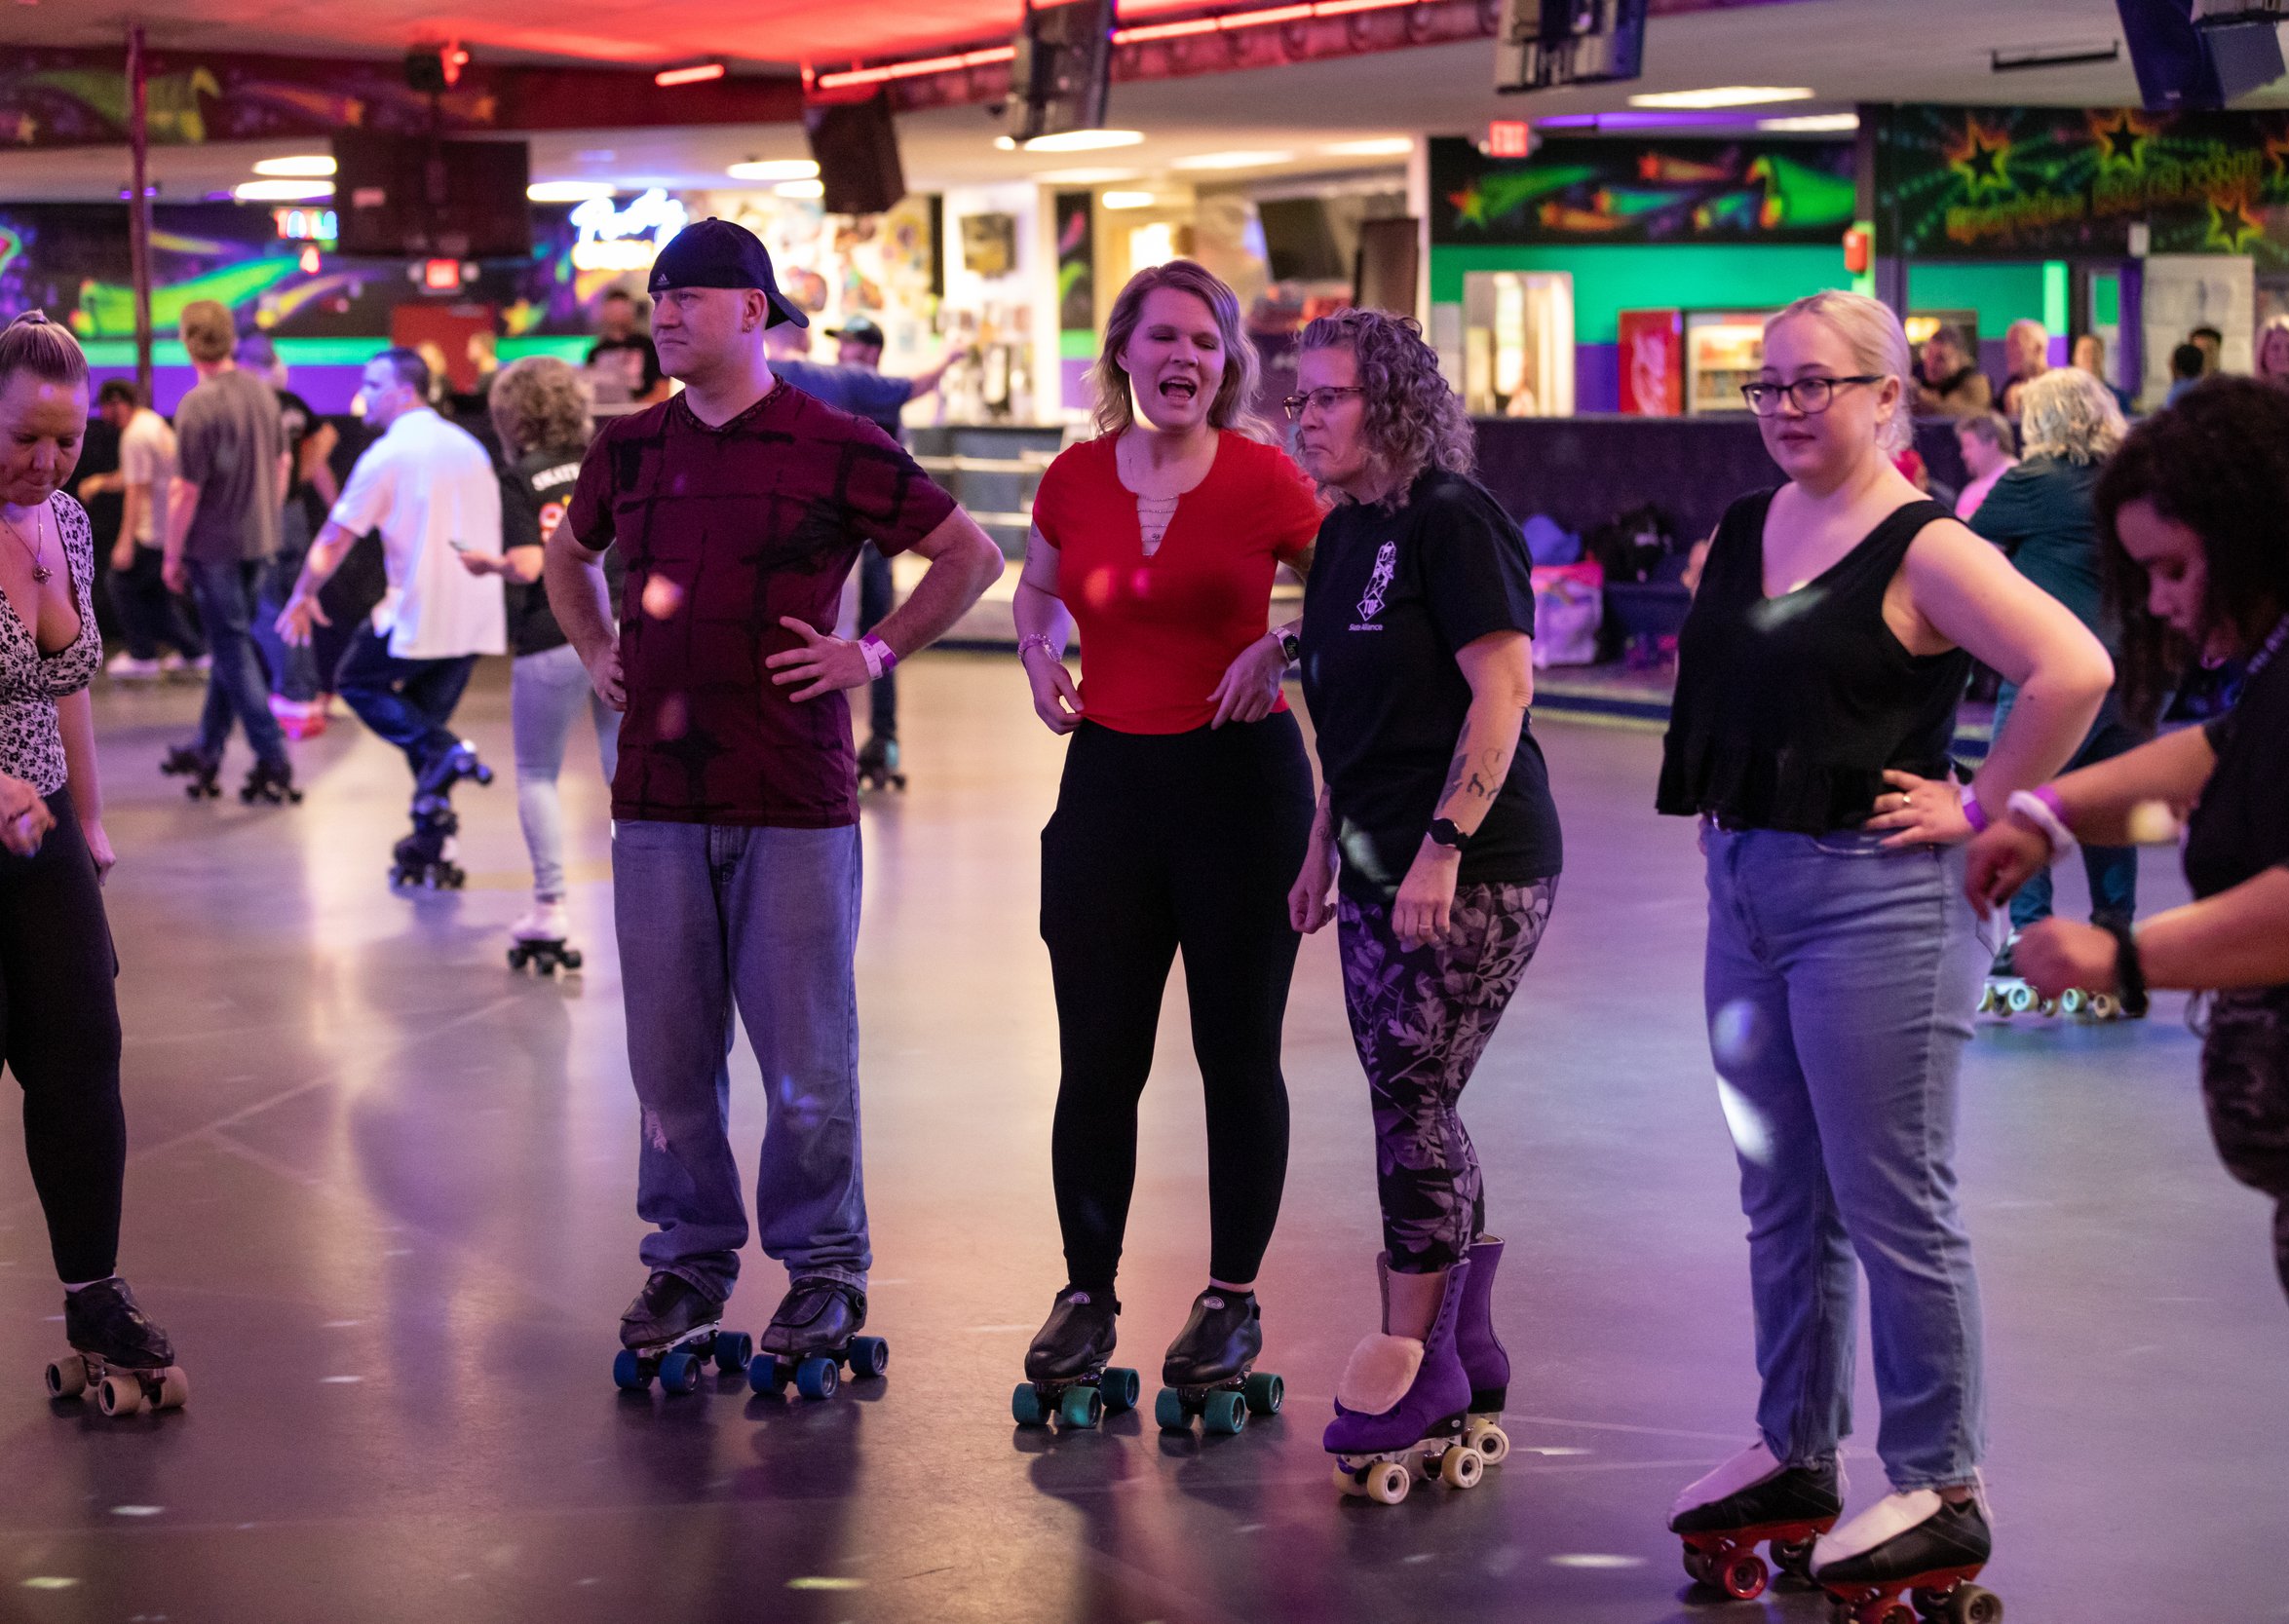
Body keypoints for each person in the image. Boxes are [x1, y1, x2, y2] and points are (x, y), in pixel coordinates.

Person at [1657, 290, 2112, 1603]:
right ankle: (1795, 1449)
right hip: (1748, 886)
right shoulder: (1748, 527)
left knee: (1892, 1198)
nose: (1789, 407)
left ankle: (1938, 1479)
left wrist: (1980, 804)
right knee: (1780, 1196)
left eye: (1818, 384)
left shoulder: (1927, 546)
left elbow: (2069, 667)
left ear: (1884, 396)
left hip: (1879, 904)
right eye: (1770, 385)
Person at [1968, 377, 2289, 1624]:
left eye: (2174, 571)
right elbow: (2221, 762)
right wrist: (2048, 810)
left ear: (2254, 526)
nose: (2165, 604)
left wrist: (2124, 958)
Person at [542, 219, 1003, 1385]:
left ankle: (824, 1269)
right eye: (657, 296)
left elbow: (969, 555)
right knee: (668, 1055)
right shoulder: (628, 449)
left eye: (689, 296)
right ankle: (689, 1258)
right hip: (653, 796)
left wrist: (875, 653)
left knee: (807, 1056)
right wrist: (595, 643)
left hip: (794, 796)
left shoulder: (834, 441)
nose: (664, 312)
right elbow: (566, 556)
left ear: (755, 313)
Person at [1008, 260, 1325, 1430]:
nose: (1184, 358)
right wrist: (1040, 650)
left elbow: (1351, 596)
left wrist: (1283, 650)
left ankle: (1229, 1297)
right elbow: (1035, 594)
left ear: (1228, 362)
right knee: (1098, 1057)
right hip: (1108, 784)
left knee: (1236, 1054)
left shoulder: (1265, 479)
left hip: (1241, 786)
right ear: (1125, 354)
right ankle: (1087, 1294)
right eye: (1163, 339)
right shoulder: (1075, 476)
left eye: (1206, 341)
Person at [1283, 308, 1564, 1496]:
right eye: (1297, 397)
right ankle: (1468, 1338)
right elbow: (1354, 717)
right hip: (1369, 859)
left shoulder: (1454, 516)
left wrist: (1444, 844)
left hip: (1479, 860)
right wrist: (1319, 846)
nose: (1304, 416)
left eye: (1328, 397)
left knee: (1408, 1083)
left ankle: (1415, 1350)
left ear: (1391, 403)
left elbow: (1501, 686)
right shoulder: (1346, 529)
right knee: (1417, 1092)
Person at [0, 312, 184, 1408]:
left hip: (41, 820)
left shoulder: (62, 517)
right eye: (25, 435)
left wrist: (91, 817)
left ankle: (94, 1290)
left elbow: (67, 680)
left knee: (80, 1044)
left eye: (66, 441)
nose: (47, 460)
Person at [273, 349, 507, 884]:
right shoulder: (468, 447)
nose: (363, 395)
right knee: (425, 733)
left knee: (358, 684)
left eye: (373, 384)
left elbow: (334, 538)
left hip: (418, 613)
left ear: (405, 391)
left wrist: (302, 594)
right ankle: (430, 844)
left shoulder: (387, 455)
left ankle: (447, 757)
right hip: (474, 618)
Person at [1967, 366, 2143, 963]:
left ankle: (2027, 938)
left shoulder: (2033, 479)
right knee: (2110, 807)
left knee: (2017, 797)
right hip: (2135, 671)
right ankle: (2115, 935)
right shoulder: (2132, 480)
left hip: (2057, 674)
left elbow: (1966, 545)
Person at [453, 356, 618, 967]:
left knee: (538, 774)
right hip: (621, 628)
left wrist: (486, 563)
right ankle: (649, 889)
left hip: (553, 633)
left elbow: (529, 564)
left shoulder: (520, 477)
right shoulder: (607, 459)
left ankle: (550, 909)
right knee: (623, 770)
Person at [768, 313, 969, 789]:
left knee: (872, 635)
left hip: (868, 539)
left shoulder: (850, 382)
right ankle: (873, 737)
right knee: (860, 635)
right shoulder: (843, 382)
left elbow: (914, 386)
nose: (845, 350)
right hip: (856, 537)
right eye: (841, 342)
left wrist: (950, 356)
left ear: (873, 351)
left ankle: (876, 738)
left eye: (855, 343)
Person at [158, 299, 297, 804]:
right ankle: (207, 749)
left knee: (233, 649)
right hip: (259, 542)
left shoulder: (197, 404)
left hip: (212, 547)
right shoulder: (262, 394)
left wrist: (171, 556)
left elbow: (184, 493)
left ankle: (273, 755)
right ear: (231, 339)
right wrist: (266, 513)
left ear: (187, 340)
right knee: (230, 645)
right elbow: (283, 464)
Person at [237, 332, 339, 739]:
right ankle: (307, 692)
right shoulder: (292, 406)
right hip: (295, 515)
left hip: (264, 515)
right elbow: (325, 437)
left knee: (269, 609)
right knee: (297, 603)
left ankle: (295, 695)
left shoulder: (251, 406)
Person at [78, 379, 205, 679]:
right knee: (156, 595)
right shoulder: (151, 423)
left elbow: (137, 489)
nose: (104, 415)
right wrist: (101, 482)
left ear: (117, 403)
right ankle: (194, 652)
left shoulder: (134, 436)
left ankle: (142, 655)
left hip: (154, 530)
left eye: (106, 407)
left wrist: (125, 542)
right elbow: (135, 476)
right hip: (170, 527)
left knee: (120, 584)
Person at [585, 289, 666, 405]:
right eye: (614, 310)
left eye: (622, 310)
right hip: (607, 415)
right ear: (604, 312)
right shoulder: (595, 352)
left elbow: (662, 387)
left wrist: (639, 411)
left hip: (643, 414)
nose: (618, 315)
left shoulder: (648, 346)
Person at [1911, 326, 1990, 417]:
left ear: (1958, 358)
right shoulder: (1921, 379)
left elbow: (1960, 413)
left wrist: (1919, 394)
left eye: (1940, 358)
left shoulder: (1977, 383)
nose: (1931, 364)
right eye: (1929, 355)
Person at [1952, 411, 2015, 521]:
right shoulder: (1970, 491)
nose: (1963, 454)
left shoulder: (2018, 479)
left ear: (1992, 443)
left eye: (1968, 446)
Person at [1996, 318, 2048, 417]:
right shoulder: (2010, 385)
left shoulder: (2057, 386)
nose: (2009, 352)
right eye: (2008, 344)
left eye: (2015, 344)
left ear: (2038, 348)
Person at [2070, 332, 2133, 414]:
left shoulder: (2119, 397)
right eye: (2085, 351)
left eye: (2094, 351)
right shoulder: (2064, 397)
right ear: (2074, 357)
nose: (2090, 356)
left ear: (2102, 355)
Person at [2164, 341, 2209, 408]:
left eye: (2171, 361)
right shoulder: (2205, 386)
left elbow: (2168, 415)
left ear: (2175, 365)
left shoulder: (2178, 393)